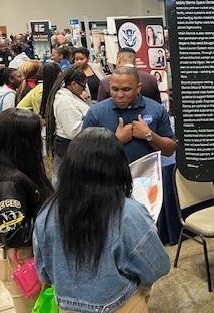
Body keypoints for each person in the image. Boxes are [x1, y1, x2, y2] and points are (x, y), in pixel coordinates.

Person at [33, 128, 171, 312]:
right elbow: (158, 266)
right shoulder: (128, 214)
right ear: (118, 167)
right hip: (123, 305)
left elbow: (44, 273)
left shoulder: (47, 215)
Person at [0, 109, 53, 313]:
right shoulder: (6, 184)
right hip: (24, 262)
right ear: (23, 142)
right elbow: (15, 234)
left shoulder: (18, 170)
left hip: (28, 257)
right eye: (38, 137)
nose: (41, 142)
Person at [83, 66, 175, 163]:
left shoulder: (156, 110)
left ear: (138, 88)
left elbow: (169, 151)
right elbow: (83, 154)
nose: (120, 95)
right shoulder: (95, 112)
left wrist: (149, 135)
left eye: (126, 90)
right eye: (115, 89)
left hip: (145, 177)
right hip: (108, 176)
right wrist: (116, 141)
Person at [45, 66, 90, 178]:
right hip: (69, 147)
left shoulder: (70, 97)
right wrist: (92, 121)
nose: (83, 90)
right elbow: (73, 131)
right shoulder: (65, 101)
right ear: (74, 84)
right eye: (83, 87)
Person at [97, 48, 161, 103]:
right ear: (135, 61)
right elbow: (157, 104)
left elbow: (99, 110)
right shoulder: (151, 79)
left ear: (118, 60)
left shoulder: (106, 82)